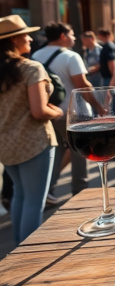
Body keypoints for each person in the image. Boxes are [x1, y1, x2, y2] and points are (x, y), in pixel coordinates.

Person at [0, 16, 61, 244]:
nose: (30, 38)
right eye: (25, 34)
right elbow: (39, 111)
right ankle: (26, 255)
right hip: (33, 141)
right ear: (13, 40)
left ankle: (18, 248)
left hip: (5, 143)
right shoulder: (30, 68)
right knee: (35, 201)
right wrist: (57, 112)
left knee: (20, 195)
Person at [32, 22, 92, 202]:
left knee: (56, 151)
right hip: (76, 113)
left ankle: (48, 189)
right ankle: (80, 191)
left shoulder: (36, 55)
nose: (74, 37)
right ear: (63, 36)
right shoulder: (71, 56)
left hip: (51, 111)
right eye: (72, 34)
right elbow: (82, 85)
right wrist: (99, 106)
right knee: (80, 153)